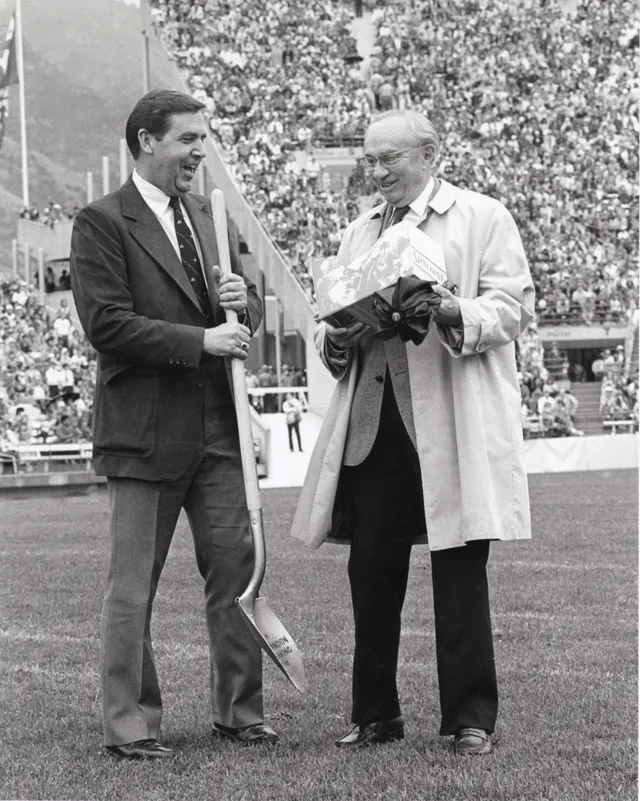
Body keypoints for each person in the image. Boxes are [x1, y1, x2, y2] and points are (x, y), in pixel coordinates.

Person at [292, 109, 534, 755]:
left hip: (449, 417)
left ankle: (469, 717)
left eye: (389, 159)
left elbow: (512, 305)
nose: (377, 172)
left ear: (430, 153)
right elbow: (330, 321)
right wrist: (333, 338)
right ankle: (376, 714)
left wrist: (452, 308)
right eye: (369, 160)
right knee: (371, 574)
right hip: (375, 426)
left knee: (459, 572)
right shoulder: (358, 232)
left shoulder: (482, 216)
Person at [70, 89, 278, 761]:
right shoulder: (102, 222)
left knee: (236, 575)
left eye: (203, 138)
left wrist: (247, 307)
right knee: (133, 586)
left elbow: (246, 325)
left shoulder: (209, 218)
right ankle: (130, 723)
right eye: (188, 138)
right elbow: (106, 323)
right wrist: (202, 340)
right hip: (144, 432)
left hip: (219, 429)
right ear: (146, 141)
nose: (199, 151)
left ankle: (240, 712)